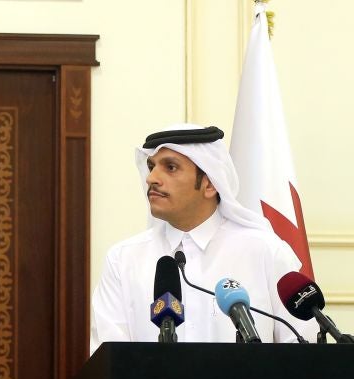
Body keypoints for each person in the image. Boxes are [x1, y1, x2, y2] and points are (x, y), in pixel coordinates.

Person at [90, 123, 314, 353]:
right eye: (151, 166)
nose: (152, 178)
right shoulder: (124, 259)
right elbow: (108, 360)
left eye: (171, 167)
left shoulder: (265, 250)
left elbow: (303, 349)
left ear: (209, 184)